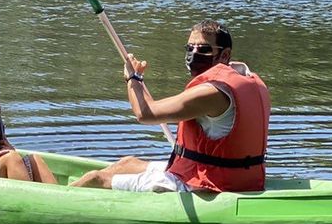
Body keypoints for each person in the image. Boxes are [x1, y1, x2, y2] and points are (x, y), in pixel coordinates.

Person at [70, 19, 270, 193]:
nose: (194, 54)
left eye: (203, 49)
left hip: (208, 185)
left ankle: (53, 200)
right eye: (190, 48)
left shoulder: (213, 92)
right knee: (127, 163)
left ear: (225, 55)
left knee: (96, 179)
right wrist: (138, 80)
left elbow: (145, 113)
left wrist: (132, 78)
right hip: (236, 177)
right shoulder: (246, 79)